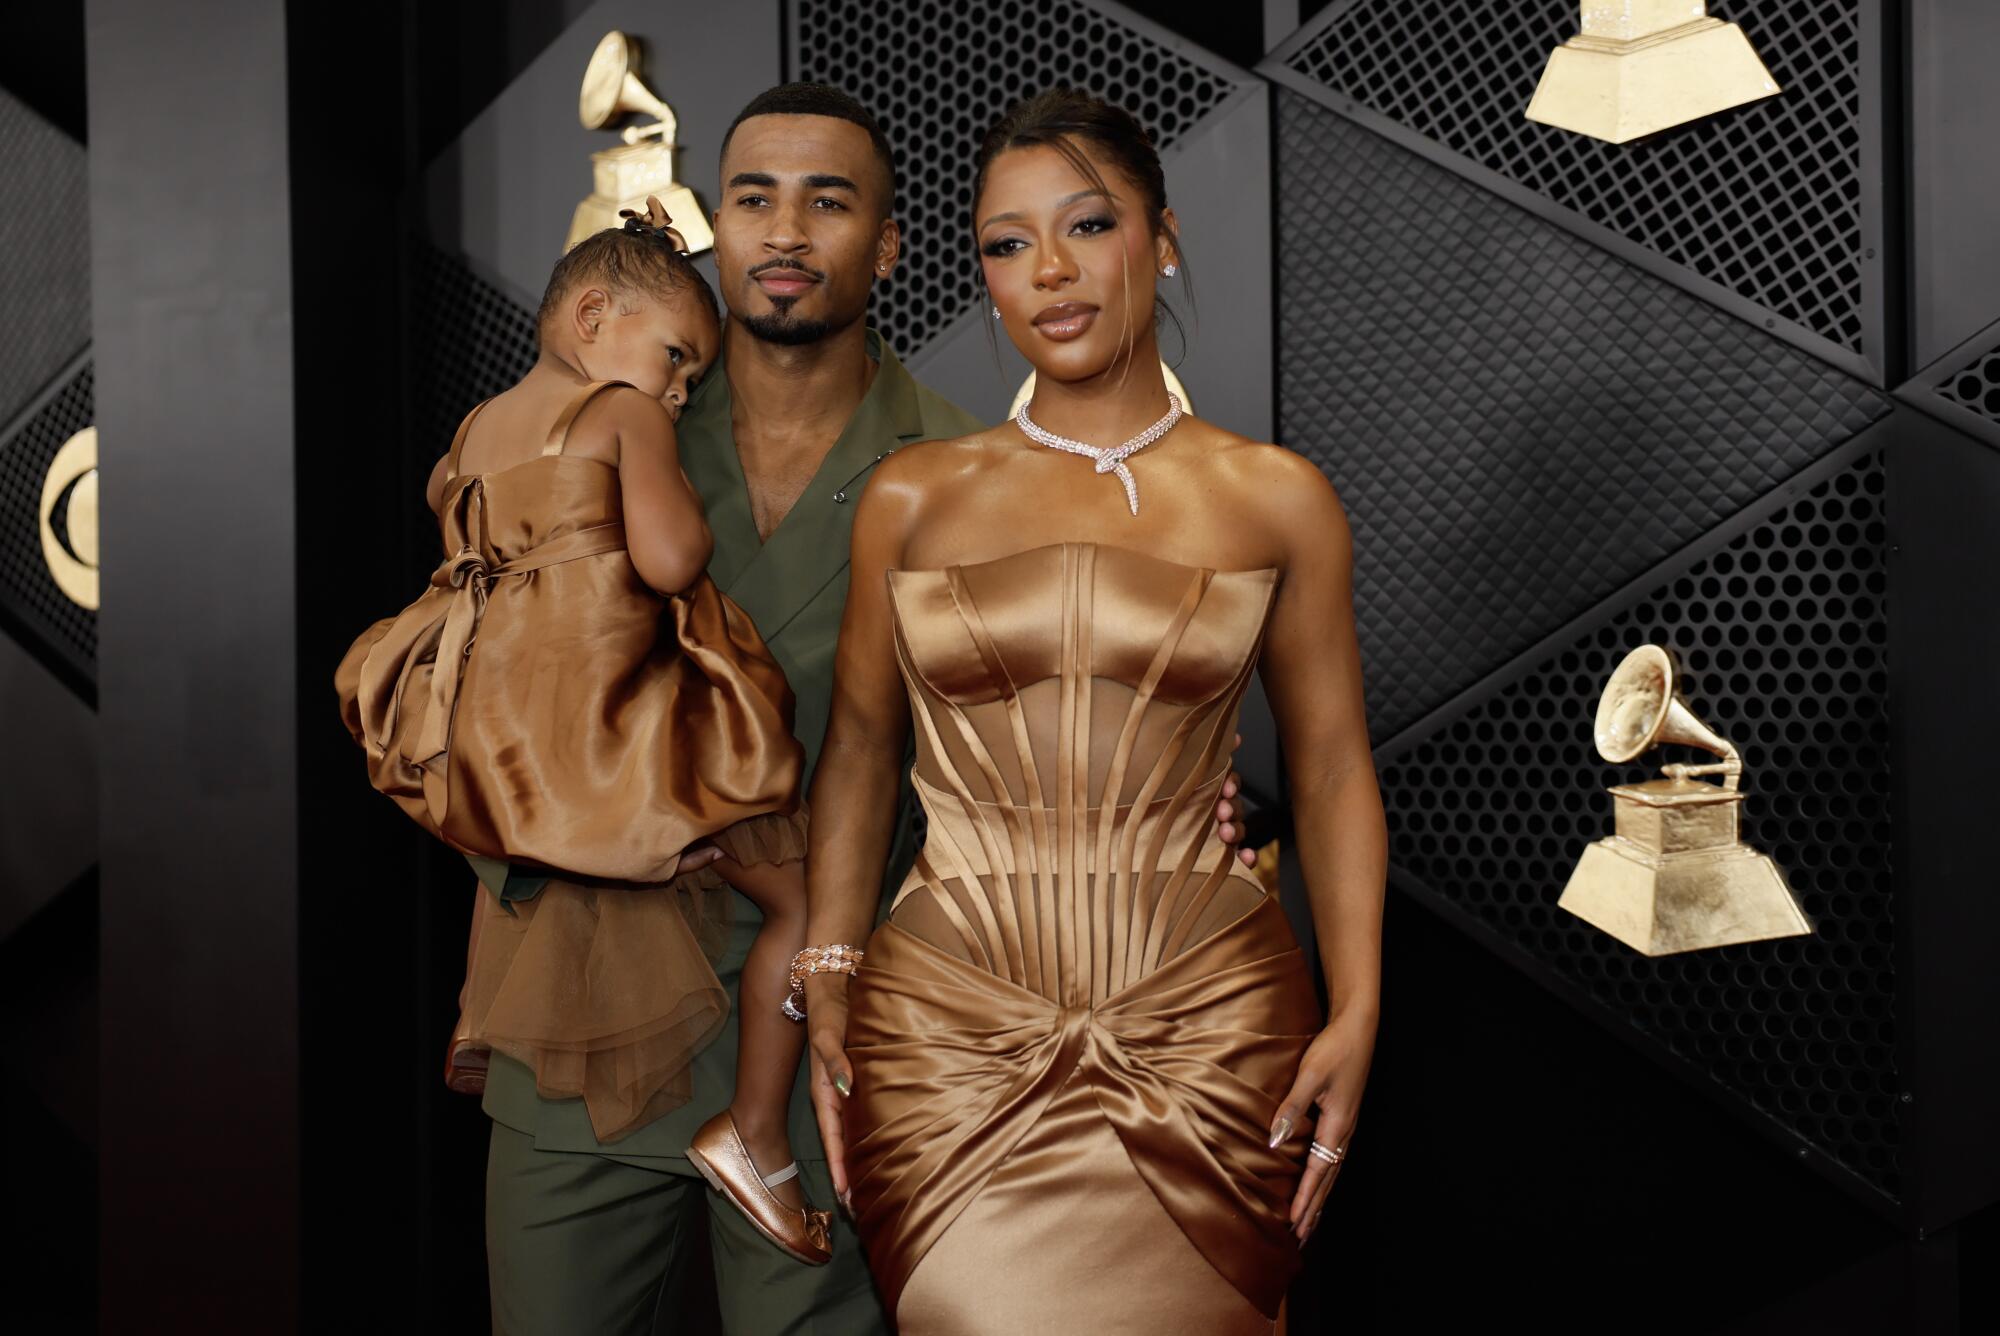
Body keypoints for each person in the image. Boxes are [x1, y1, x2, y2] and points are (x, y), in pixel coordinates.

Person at [798, 89, 1388, 1334]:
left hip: (1208, 1025)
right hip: (945, 1029)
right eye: (1005, 244)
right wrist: (832, 967)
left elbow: (1332, 770)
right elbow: (857, 748)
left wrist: (1358, 1003)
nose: (1048, 272)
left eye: (1085, 225)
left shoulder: (1275, 497)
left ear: (1161, 238)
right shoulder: (910, 497)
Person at [335, 195, 839, 1267]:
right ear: (592, 317)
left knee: (534, 841)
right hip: (610, 711)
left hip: (508, 726)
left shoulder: (474, 429)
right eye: (673, 358)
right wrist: (678, 501)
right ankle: (753, 1131)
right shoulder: (622, 416)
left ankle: (488, 1027)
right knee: (797, 899)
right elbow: (664, 563)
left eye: (693, 378)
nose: (677, 387)